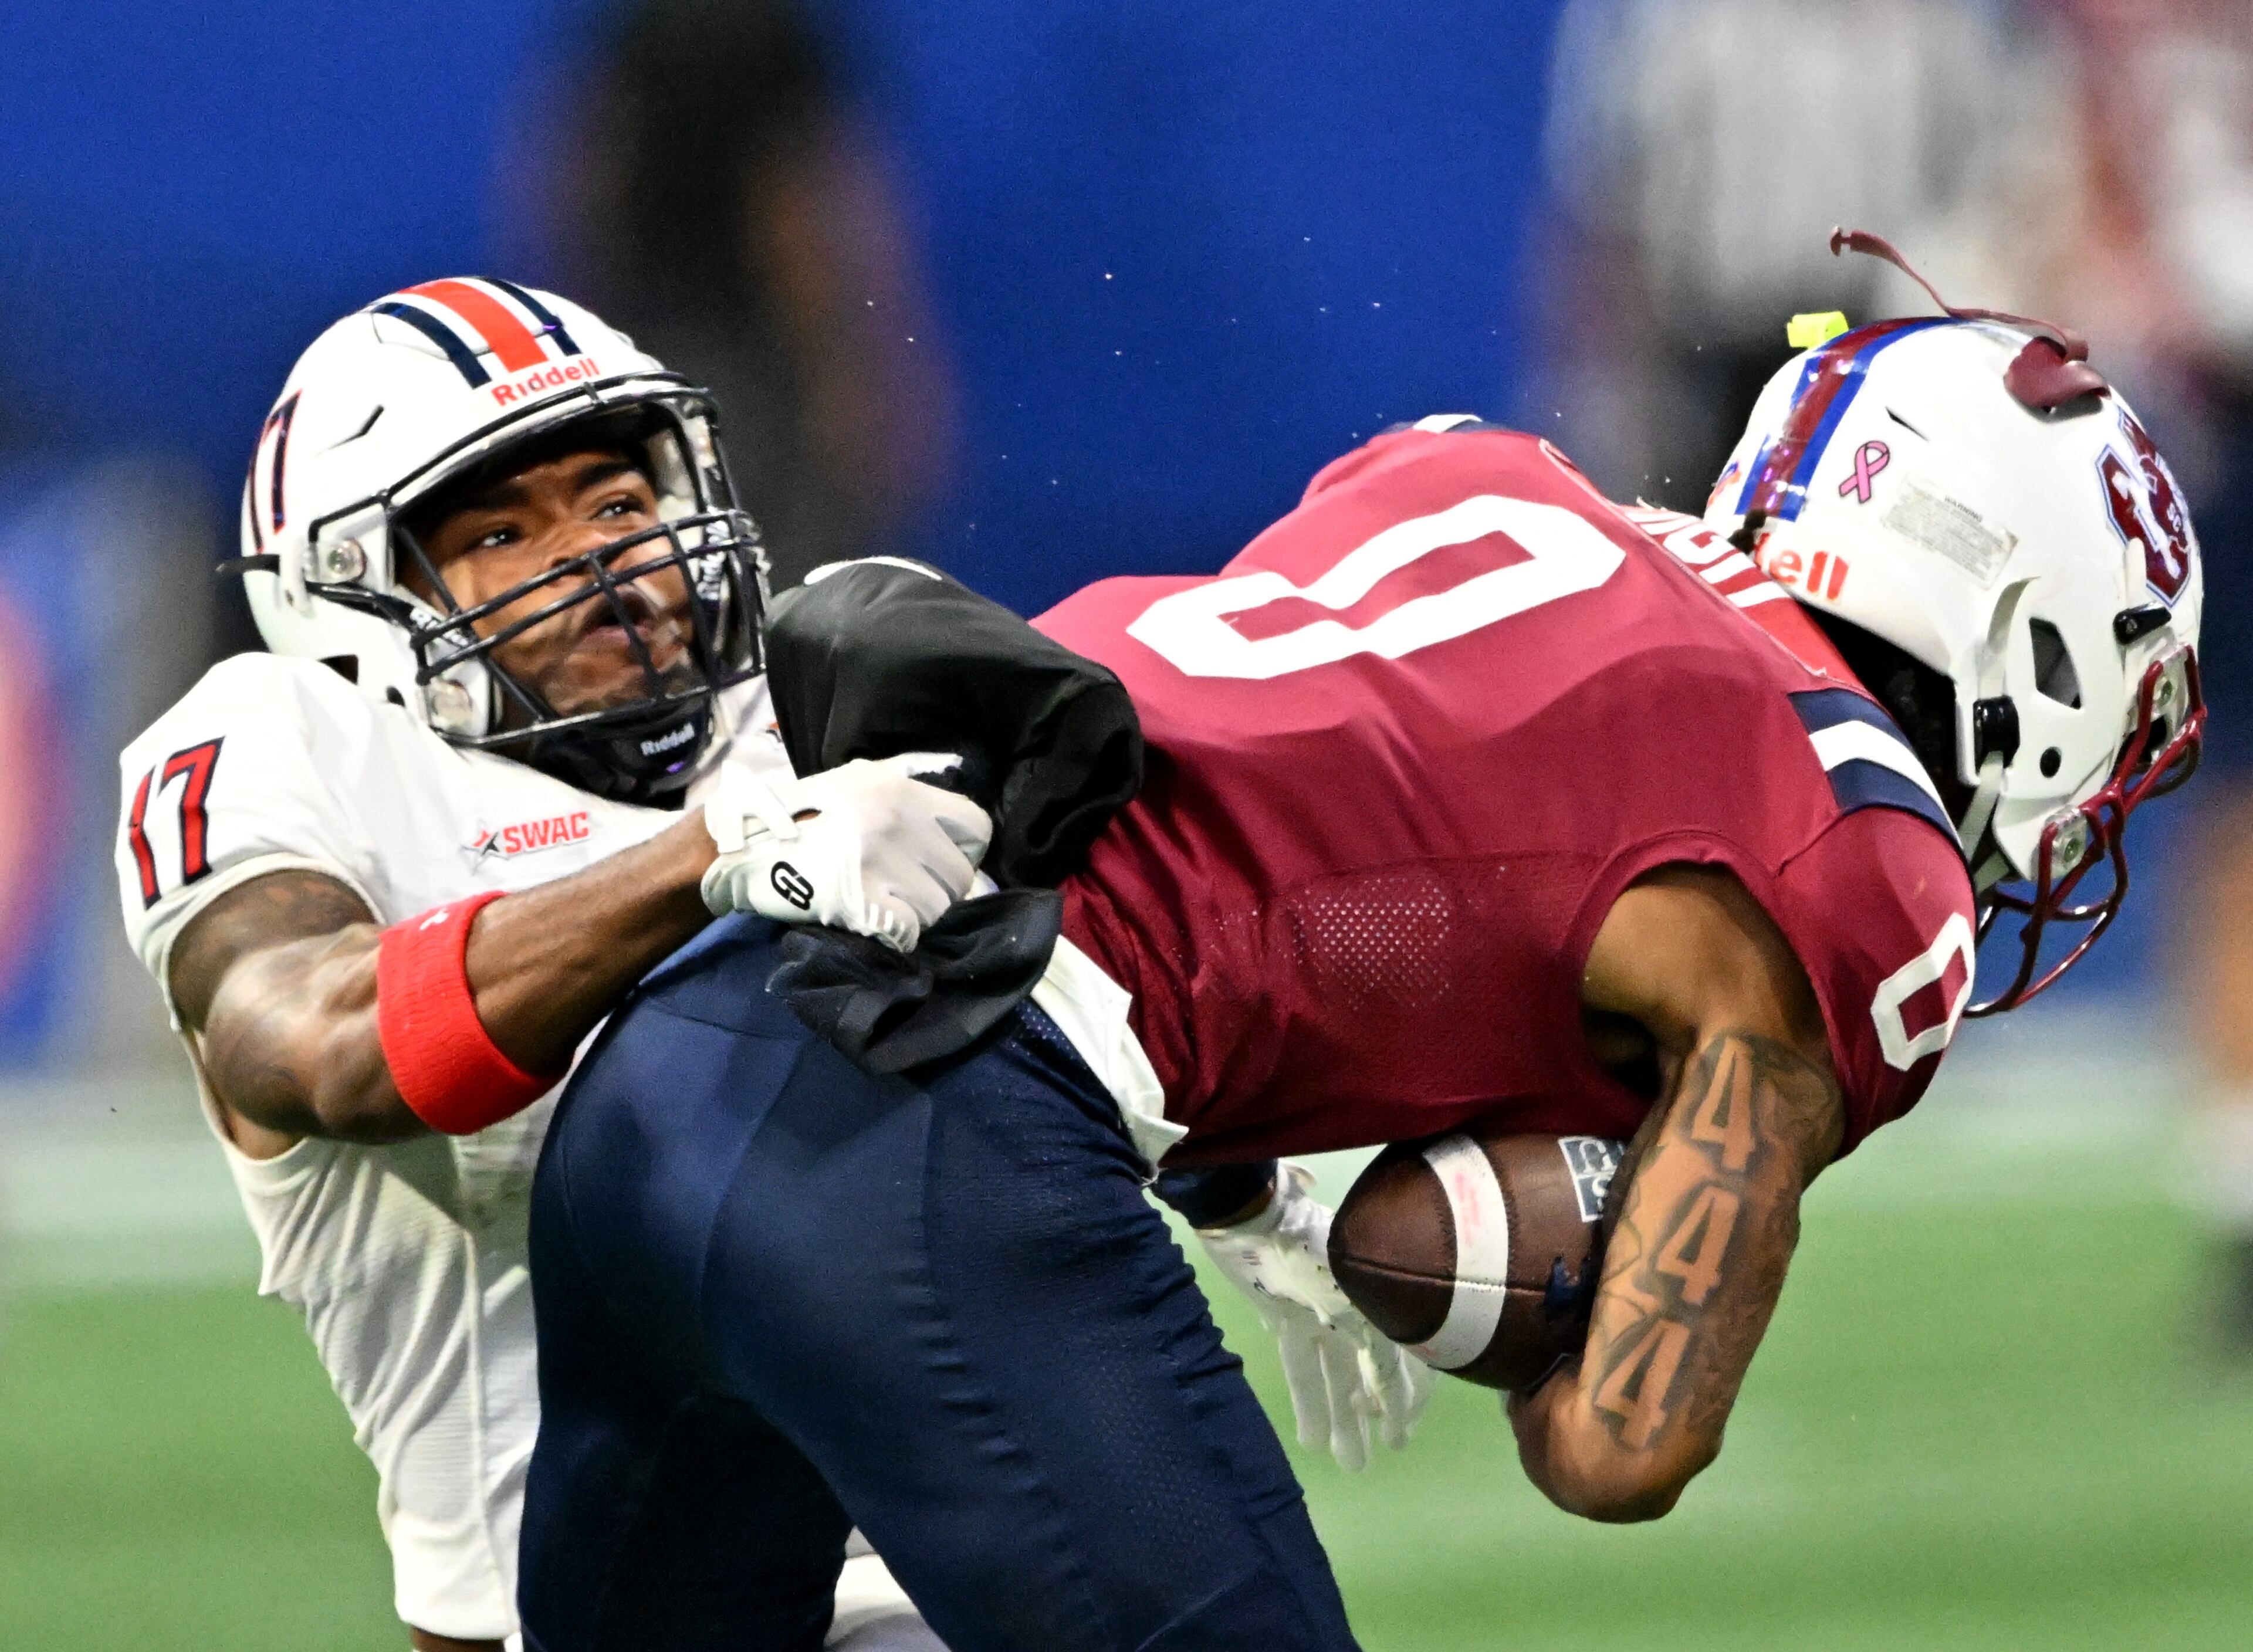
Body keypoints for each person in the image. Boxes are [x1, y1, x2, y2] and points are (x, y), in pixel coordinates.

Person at [519, 300, 2204, 1650]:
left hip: (675, 1045)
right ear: (2024, 624)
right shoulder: (1861, 859)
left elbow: (1252, 803)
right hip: (930, 1127)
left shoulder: (1492, 474)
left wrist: (1260, 1186)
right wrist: (1518, 1297)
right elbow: (1625, 1448)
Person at [111, 280, 982, 1651]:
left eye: (618, 501)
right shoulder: (303, 748)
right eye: (504, 531)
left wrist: (1247, 1176)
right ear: (356, 597)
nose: (597, 556)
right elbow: (312, 1042)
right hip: (588, 1602)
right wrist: (712, 853)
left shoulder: (812, 707)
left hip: (952, 1532)